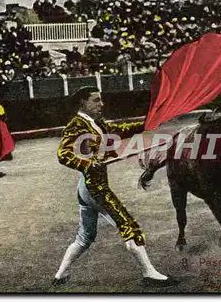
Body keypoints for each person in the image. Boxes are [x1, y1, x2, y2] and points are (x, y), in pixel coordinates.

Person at [53, 86, 177, 288]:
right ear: (83, 103)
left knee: (86, 236)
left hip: (86, 188)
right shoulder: (76, 124)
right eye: (96, 100)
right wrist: (87, 163)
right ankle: (149, 273)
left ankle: (60, 274)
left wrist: (148, 123)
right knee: (129, 225)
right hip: (95, 188)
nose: (101, 104)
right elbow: (63, 154)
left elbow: (121, 130)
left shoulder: (95, 123)